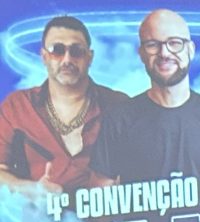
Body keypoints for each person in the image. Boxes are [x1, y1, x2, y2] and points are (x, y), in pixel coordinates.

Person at [91, 9, 200, 186]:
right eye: (153, 44)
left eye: (174, 43)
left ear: (190, 50)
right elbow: (100, 196)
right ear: (141, 53)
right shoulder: (118, 121)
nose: (164, 53)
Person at [0, 15, 118, 202]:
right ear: (44, 56)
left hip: (107, 217)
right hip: (39, 217)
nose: (67, 59)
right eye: (57, 50)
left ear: (89, 57)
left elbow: (146, 165)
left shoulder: (119, 105)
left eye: (76, 51)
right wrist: (29, 189)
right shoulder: (17, 106)